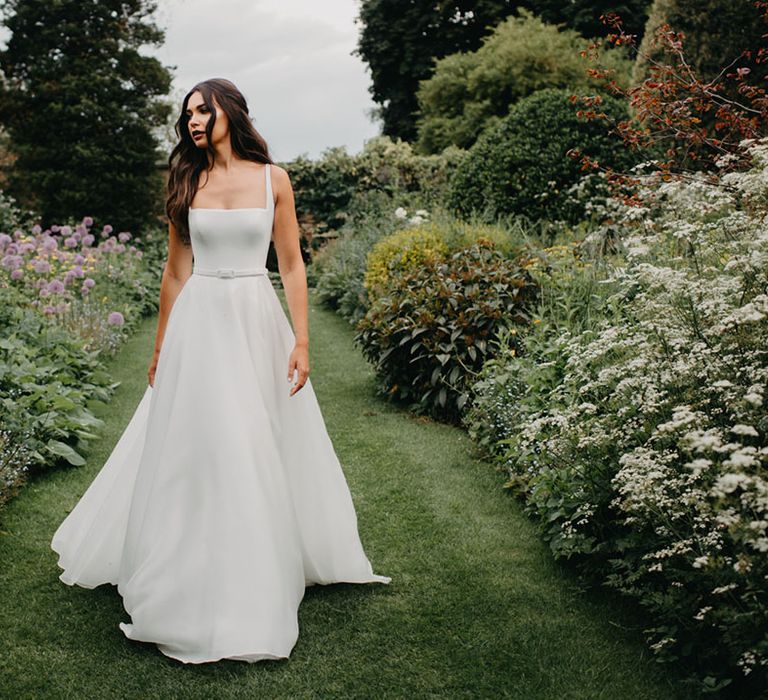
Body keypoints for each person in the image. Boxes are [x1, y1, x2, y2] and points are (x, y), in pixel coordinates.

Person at [50, 77, 391, 664]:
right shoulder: (187, 180)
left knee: (256, 440)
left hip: (257, 321)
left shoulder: (272, 179)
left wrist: (303, 340)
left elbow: (291, 264)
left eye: (203, 111)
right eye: (188, 115)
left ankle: (259, 561)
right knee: (203, 444)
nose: (194, 121)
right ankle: (189, 563)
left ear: (230, 112)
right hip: (199, 325)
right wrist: (160, 347)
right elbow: (175, 273)